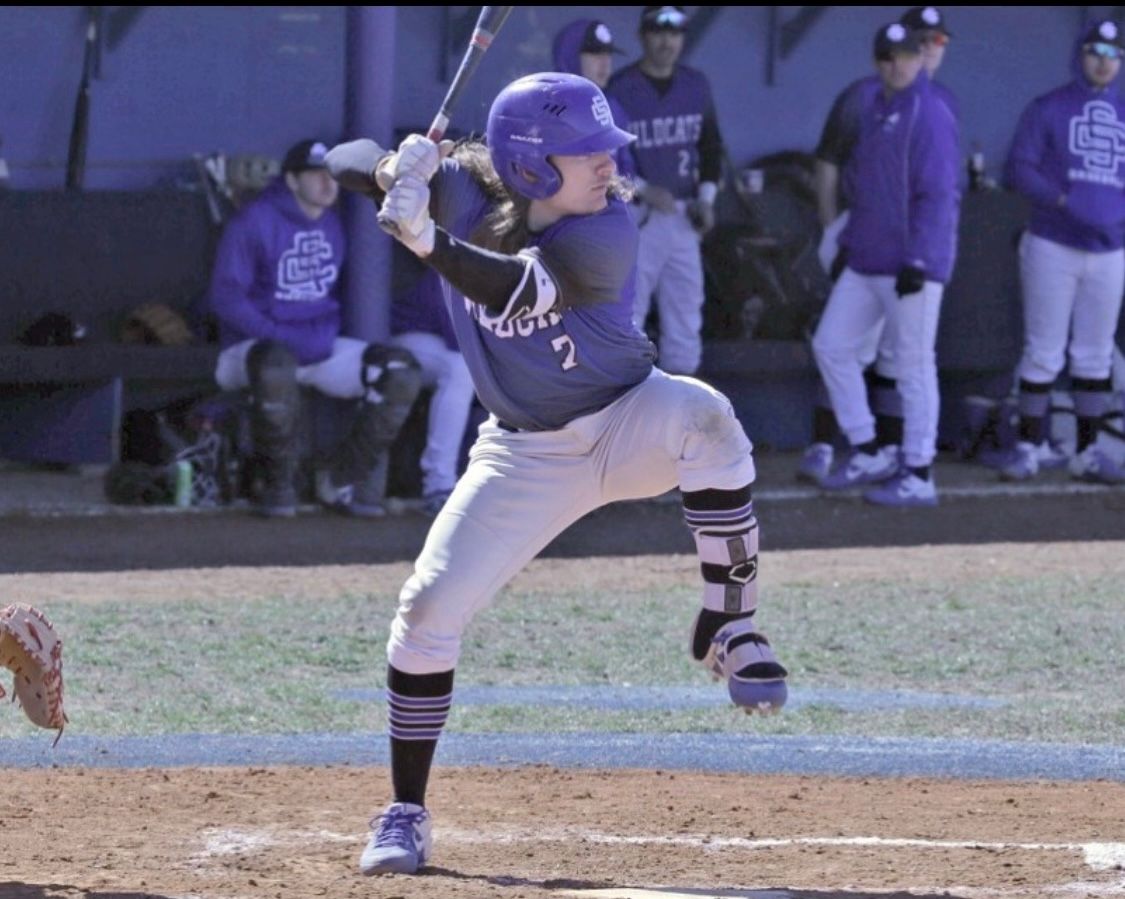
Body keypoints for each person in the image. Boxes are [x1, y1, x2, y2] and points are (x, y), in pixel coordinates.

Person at [326, 71, 789, 876]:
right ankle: (405, 809)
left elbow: (512, 293)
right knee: (427, 608)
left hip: (626, 418)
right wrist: (397, 169)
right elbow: (341, 156)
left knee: (706, 414)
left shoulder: (606, 229)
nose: (609, 166)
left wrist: (423, 239)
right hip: (523, 452)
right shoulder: (467, 192)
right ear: (533, 166)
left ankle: (731, 621)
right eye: (588, 154)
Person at [210, 138, 422, 517]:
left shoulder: (333, 223)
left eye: (332, 177)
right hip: (251, 349)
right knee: (276, 365)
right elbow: (227, 300)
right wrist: (279, 336)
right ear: (292, 181)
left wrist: (310, 338)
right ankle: (277, 485)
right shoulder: (255, 220)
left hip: (316, 346)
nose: (328, 185)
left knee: (400, 372)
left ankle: (338, 478)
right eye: (315, 176)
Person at [800, 6, 957, 485]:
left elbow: (940, 194)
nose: (898, 65)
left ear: (920, 58)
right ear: (877, 62)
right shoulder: (872, 108)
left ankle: (919, 471)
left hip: (911, 264)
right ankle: (868, 446)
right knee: (831, 346)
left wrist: (921, 259)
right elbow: (863, 186)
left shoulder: (929, 110)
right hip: (866, 259)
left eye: (908, 55)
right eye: (888, 57)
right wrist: (845, 242)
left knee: (912, 365)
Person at [999, 19, 1125, 485]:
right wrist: (1063, 200)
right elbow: (1020, 167)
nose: (1104, 60)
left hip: (1110, 249)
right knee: (1043, 351)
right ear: (1081, 54)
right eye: (1096, 51)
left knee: (1094, 355)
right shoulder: (1049, 107)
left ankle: (1087, 452)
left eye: (1113, 52)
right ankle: (1030, 448)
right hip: (1052, 242)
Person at [607, 6, 724, 376]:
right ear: (643, 36)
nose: (666, 41)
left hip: (684, 215)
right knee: (630, 311)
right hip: (638, 216)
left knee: (687, 313)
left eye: (674, 33)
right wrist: (643, 189)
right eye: (658, 31)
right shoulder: (621, 87)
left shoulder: (696, 84)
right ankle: (629, 402)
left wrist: (706, 200)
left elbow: (710, 149)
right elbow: (604, 161)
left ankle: (680, 410)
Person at [389, 268, 476, 516]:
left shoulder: (522, 258)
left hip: (445, 341)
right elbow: (456, 333)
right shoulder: (460, 248)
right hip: (408, 335)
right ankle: (440, 486)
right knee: (460, 368)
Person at [551, 18, 636, 180]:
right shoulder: (549, 109)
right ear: (570, 55)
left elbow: (626, 169)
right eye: (595, 54)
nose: (605, 63)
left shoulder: (612, 108)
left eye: (608, 54)